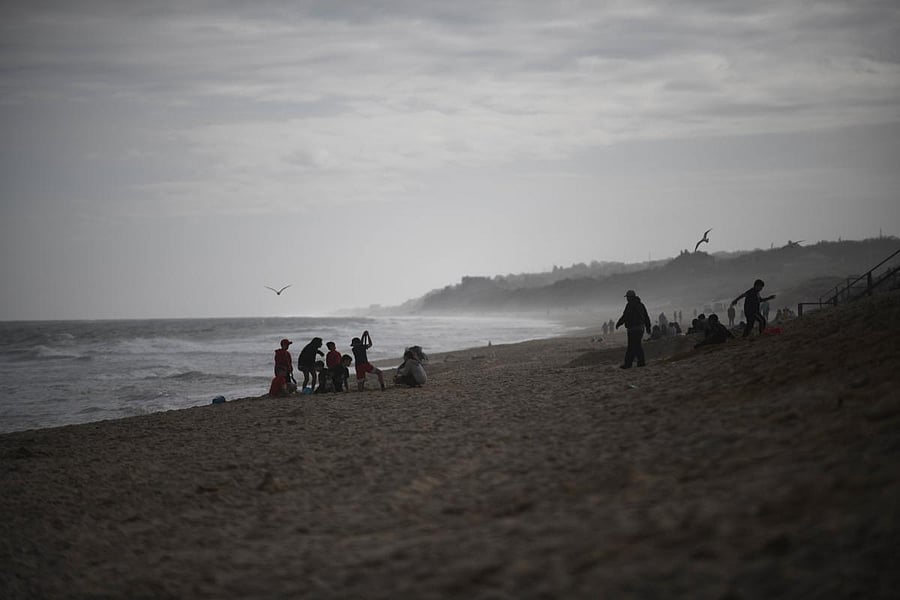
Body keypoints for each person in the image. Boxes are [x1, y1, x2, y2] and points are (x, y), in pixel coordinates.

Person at [615, 290, 652, 369]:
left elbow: (625, 316)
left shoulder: (629, 305)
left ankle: (630, 364)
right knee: (636, 345)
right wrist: (648, 327)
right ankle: (638, 362)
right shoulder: (641, 305)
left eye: (627, 297)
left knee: (632, 347)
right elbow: (646, 317)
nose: (627, 299)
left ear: (630, 297)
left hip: (633, 329)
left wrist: (619, 323)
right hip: (640, 328)